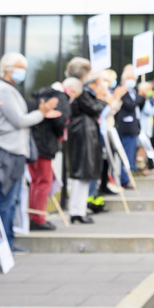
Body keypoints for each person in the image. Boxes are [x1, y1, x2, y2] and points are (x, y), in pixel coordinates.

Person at [0, 52, 60, 254]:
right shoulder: (2, 90)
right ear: (6, 68)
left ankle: (6, 242)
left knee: (13, 200)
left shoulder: (10, 90)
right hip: (7, 151)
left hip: (15, 151)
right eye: (19, 66)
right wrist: (41, 114)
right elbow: (19, 120)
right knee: (6, 200)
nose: (22, 71)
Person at [28, 78, 72, 230]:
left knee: (36, 182)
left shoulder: (39, 95)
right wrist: (61, 131)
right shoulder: (61, 97)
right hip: (44, 145)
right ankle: (38, 218)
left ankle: (33, 215)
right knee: (44, 181)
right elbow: (61, 120)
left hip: (34, 144)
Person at [67, 73, 106, 224]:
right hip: (82, 140)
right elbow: (94, 108)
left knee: (83, 177)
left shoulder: (83, 96)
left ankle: (78, 210)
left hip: (85, 139)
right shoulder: (82, 96)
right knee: (80, 176)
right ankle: (76, 210)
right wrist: (103, 100)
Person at [114, 65, 143, 188]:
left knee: (130, 154)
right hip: (125, 127)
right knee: (125, 155)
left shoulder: (133, 92)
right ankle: (124, 179)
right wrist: (139, 98)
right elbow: (131, 105)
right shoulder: (122, 91)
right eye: (130, 77)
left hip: (133, 127)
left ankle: (126, 177)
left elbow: (138, 103)